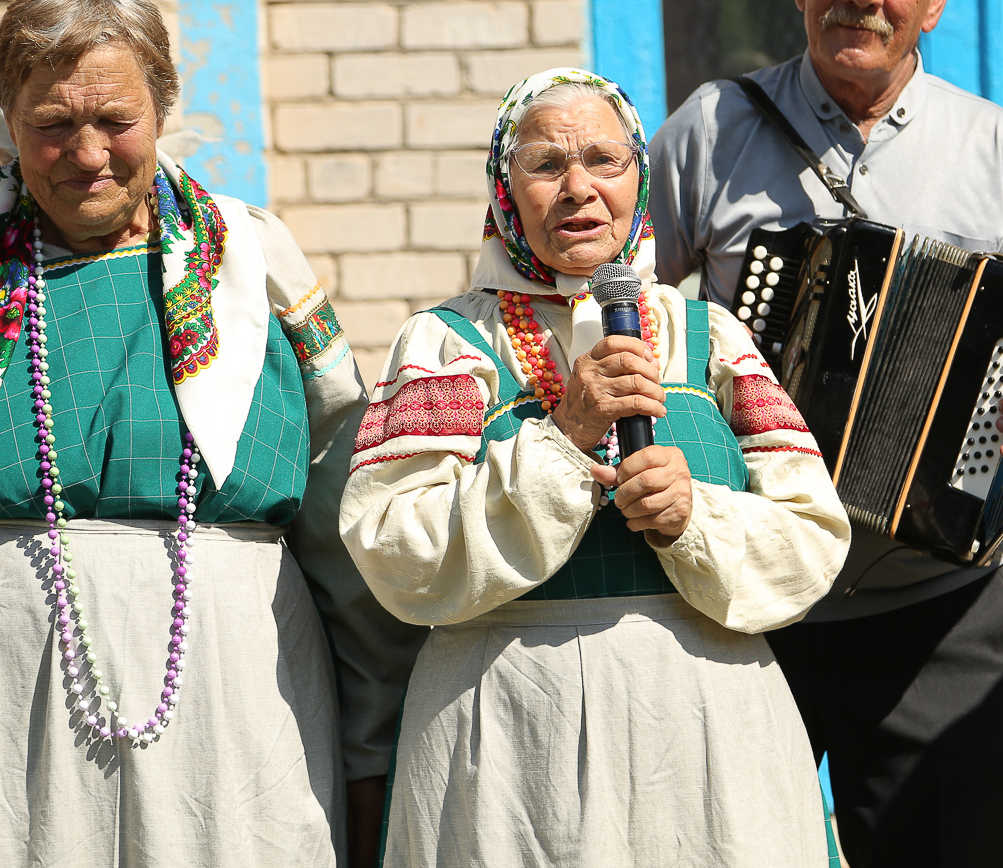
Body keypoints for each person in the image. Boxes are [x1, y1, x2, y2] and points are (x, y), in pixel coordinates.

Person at [0, 0, 425, 868]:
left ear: (161, 109)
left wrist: (372, 750)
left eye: (116, 120)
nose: (87, 154)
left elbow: (344, 531)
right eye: (51, 123)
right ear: (8, 121)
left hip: (240, 730)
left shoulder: (255, 267)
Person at [648, 0, 1003, 868]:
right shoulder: (710, 129)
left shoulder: (1000, 150)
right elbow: (618, 310)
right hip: (748, 596)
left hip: (933, 609)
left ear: (933, 0)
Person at [339, 67, 851, 867]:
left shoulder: (712, 337)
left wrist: (695, 517)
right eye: (546, 164)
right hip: (509, 741)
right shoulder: (443, 346)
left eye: (604, 160)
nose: (578, 187)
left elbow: (812, 537)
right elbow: (394, 548)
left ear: (639, 177)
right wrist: (564, 437)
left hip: (710, 740)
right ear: (504, 190)